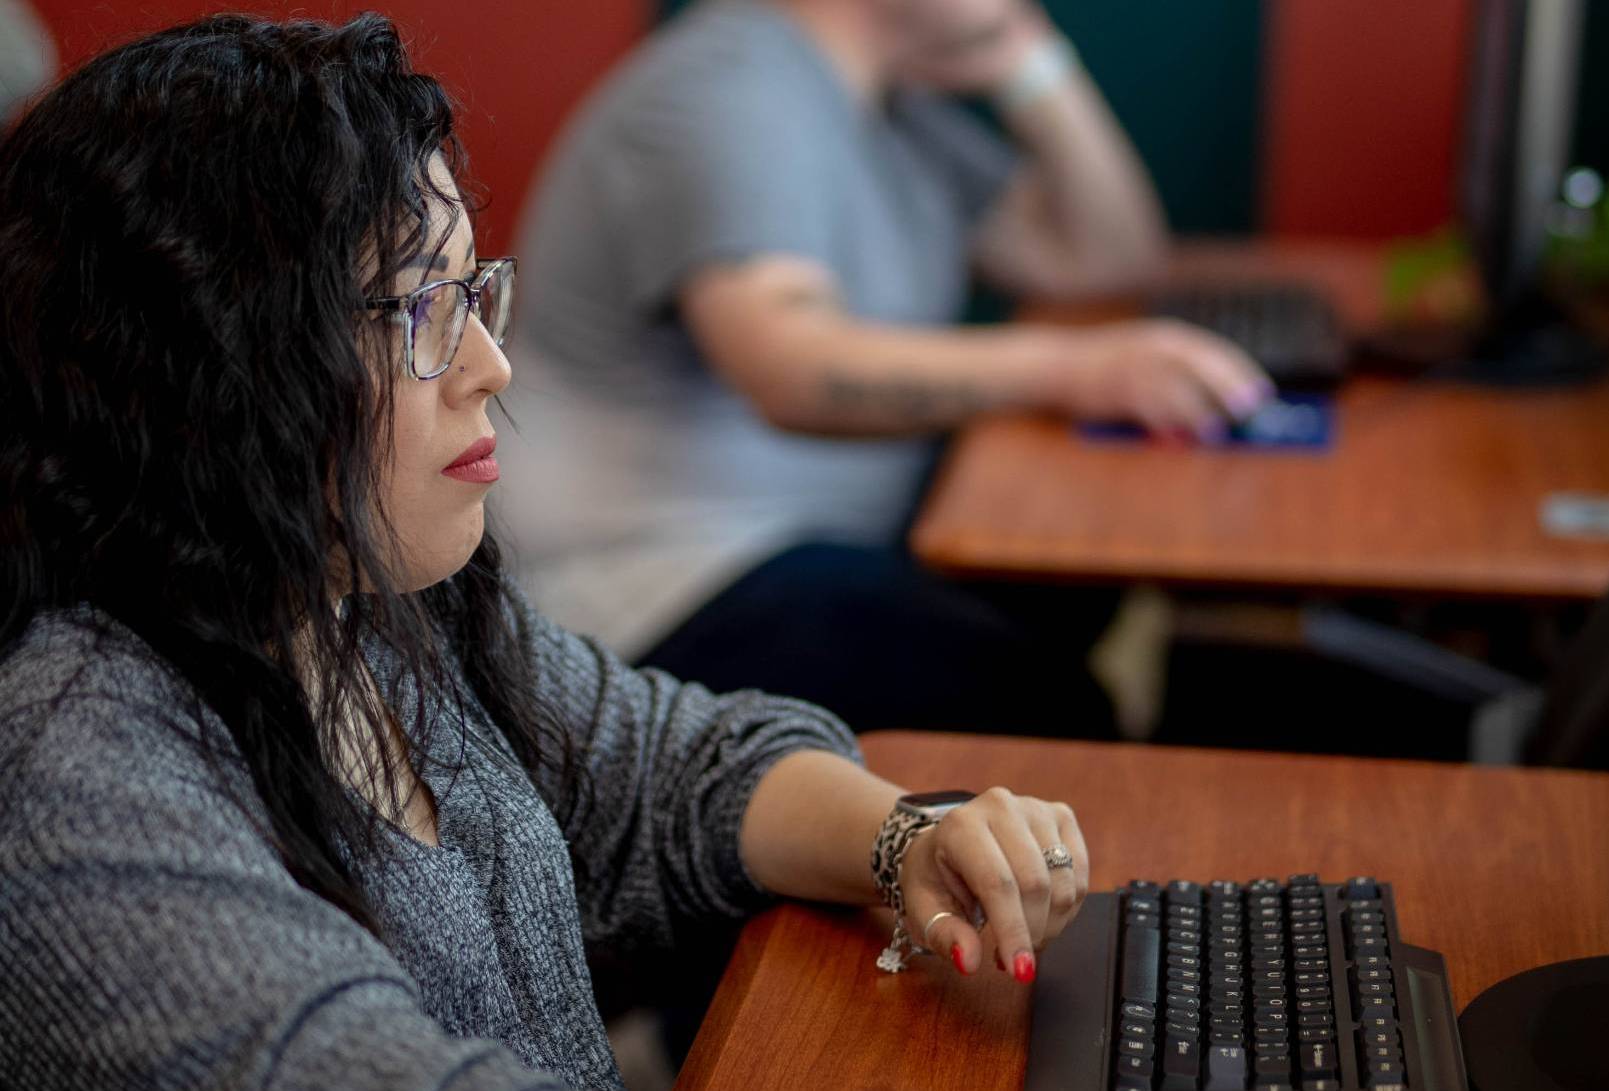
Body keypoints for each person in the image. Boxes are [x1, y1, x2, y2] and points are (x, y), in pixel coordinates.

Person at [0, 16, 1088, 1090]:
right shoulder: (85, 788)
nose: (490, 367)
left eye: (473, 294)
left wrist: (906, 840)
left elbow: (666, 767)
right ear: (216, 362)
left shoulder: (364, 600)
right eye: (421, 309)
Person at [499, 0, 1274, 733]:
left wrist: (1028, 58)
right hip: (658, 584)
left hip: (822, 533)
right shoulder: (728, 87)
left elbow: (1109, 257)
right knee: (1055, 713)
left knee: (1077, 592)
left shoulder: (891, 113)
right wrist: (1075, 370)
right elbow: (789, 369)